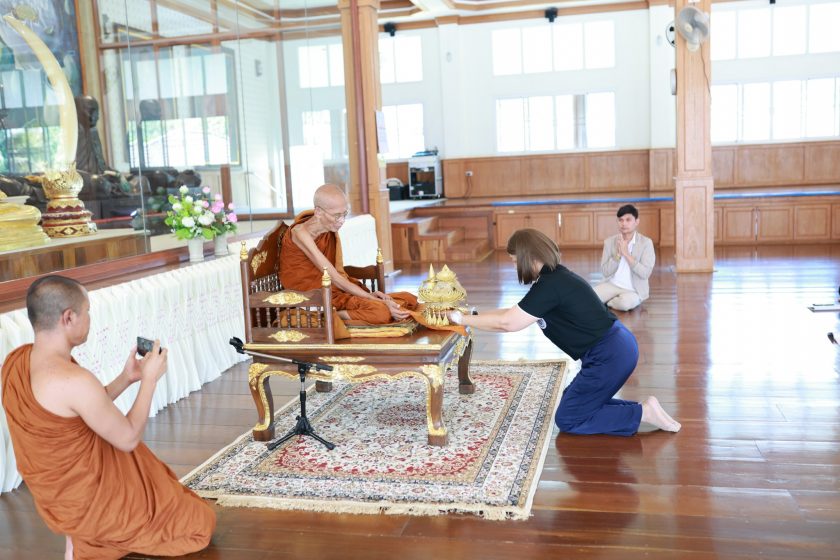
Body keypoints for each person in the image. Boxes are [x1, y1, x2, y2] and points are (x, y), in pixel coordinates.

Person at [1, 275, 215, 560]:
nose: (90, 318)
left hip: (57, 497)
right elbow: (128, 438)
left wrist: (126, 378)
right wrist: (150, 380)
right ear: (68, 317)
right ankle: (91, 536)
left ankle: (79, 535)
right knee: (199, 524)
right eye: (87, 311)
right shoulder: (73, 379)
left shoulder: (16, 362)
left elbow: (80, 411)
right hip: (90, 499)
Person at [447, 229, 680, 436]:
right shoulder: (553, 278)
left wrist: (460, 319)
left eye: (515, 261)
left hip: (609, 355)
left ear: (528, 258)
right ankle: (644, 409)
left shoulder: (550, 286)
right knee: (571, 400)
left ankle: (642, 413)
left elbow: (508, 323)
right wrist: (471, 317)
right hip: (615, 347)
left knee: (568, 419)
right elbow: (511, 314)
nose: (515, 266)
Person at [279, 183, 418, 324]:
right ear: (319, 212)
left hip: (333, 290)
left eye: (344, 214)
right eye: (336, 216)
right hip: (313, 297)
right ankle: (332, 316)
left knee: (408, 298)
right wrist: (375, 300)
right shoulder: (300, 234)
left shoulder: (328, 229)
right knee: (381, 312)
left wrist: (370, 296)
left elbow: (339, 275)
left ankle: (348, 311)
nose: (342, 221)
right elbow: (334, 278)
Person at [593, 204, 655, 312]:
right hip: (612, 284)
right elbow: (605, 272)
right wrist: (617, 255)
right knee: (589, 297)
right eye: (620, 220)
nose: (624, 223)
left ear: (636, 222)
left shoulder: (646, 243)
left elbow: (645, 273)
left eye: (628, 220)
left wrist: (626, 254)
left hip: (633, 290)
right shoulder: (609, 242)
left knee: (624, 304)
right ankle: (612, 299)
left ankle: (609, 302)